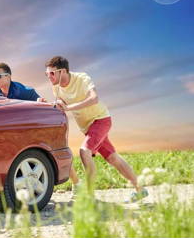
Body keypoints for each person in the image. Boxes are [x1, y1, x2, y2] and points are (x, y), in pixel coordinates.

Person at [38, 56, 148, 202]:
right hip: (88, 127)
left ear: (63, 71)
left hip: (101, 119)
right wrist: (48, 104)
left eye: (52, 73)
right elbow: (61, 104)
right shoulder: (56, 87)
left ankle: (89, 195)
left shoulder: (82, 78)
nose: (49, 77)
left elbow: (94, 98)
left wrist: (69, 107)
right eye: (47, 74)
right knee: (113, 158)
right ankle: (140, 189)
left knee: (84, 151)